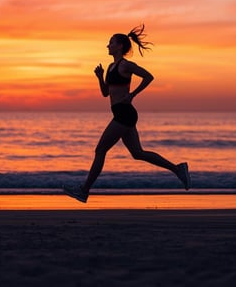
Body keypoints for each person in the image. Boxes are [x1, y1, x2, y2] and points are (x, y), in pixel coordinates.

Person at [63, 24, 190, 203]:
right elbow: (106, 93)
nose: (108, 45)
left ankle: (84, 191)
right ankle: (178, 169)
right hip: (122, 113)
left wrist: (132, 94)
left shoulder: (126, 65)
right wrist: (99, 77)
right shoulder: (110, 67)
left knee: (100, 150)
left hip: (124, 113)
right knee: (138, 153)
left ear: (120, 46)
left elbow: (149, 77)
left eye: (111, 43)